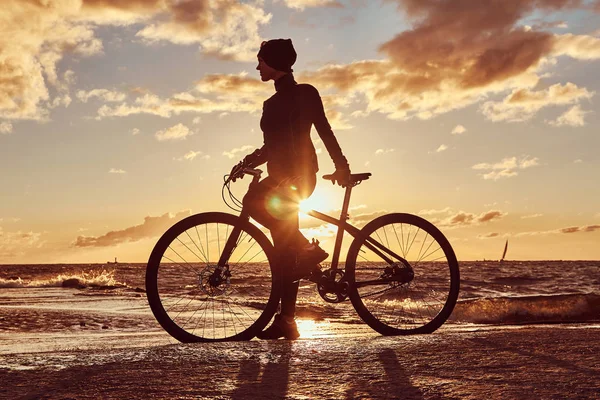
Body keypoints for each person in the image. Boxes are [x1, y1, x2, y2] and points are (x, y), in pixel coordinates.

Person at [229, 38, 351, 340]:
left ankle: (308, 250)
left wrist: (342, 165)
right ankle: (287, 320)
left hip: (300, 177)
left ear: (273, 61)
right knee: (285, 249)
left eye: (261, 60)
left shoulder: (305, 93)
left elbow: (324, 130)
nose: (257, 66)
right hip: (278, 178)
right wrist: (247, 162)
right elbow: (272, 146)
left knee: (255, 203)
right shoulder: (270, 103)